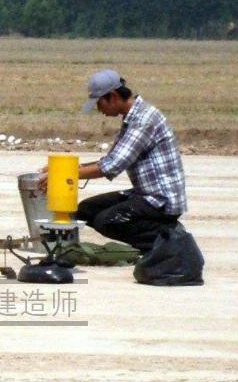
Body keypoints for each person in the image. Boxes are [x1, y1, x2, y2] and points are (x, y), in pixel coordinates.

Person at [63, 69, 187, 253]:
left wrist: (62, 175)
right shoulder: (132, 118)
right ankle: (152, 241)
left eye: (100, 104)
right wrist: (69, 168)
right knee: (86, 210)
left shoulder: (144, 120)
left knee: (108, 221)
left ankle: (168, 241)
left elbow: (112, 166)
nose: (100, 110)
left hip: (161, 199)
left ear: (112, 97)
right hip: (144, 193)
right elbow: (109, 159)